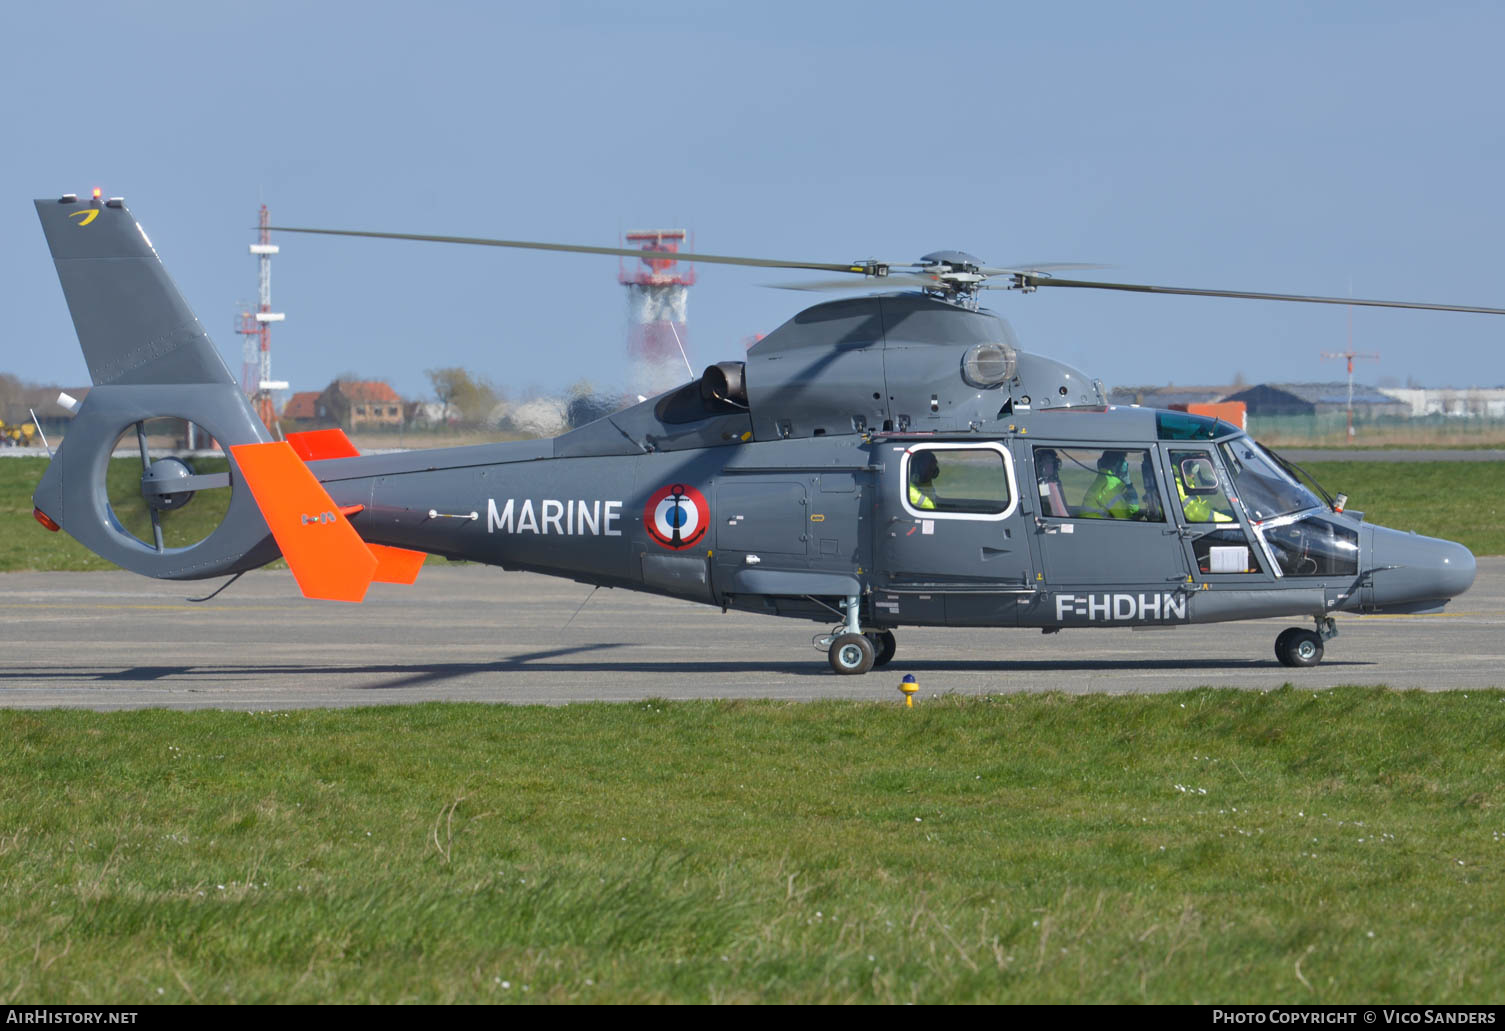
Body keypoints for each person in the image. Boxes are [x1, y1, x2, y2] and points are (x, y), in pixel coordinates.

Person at [1080, 450, 1141, 519]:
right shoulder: (1109, 485)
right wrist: (1129, 486)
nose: (1126, 464)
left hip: (1093, 523)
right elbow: (1123, 516)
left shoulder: (1103, 479)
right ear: (1118, 464)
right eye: (1123, 460)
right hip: (1096, 526)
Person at [1036, 448, 1070, 517]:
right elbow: (1061, 514)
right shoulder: (1045, 485)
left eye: (1052, 462)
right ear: (1040, 465)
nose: (1052, 465)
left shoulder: (1053, 483)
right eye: (1048, 461)